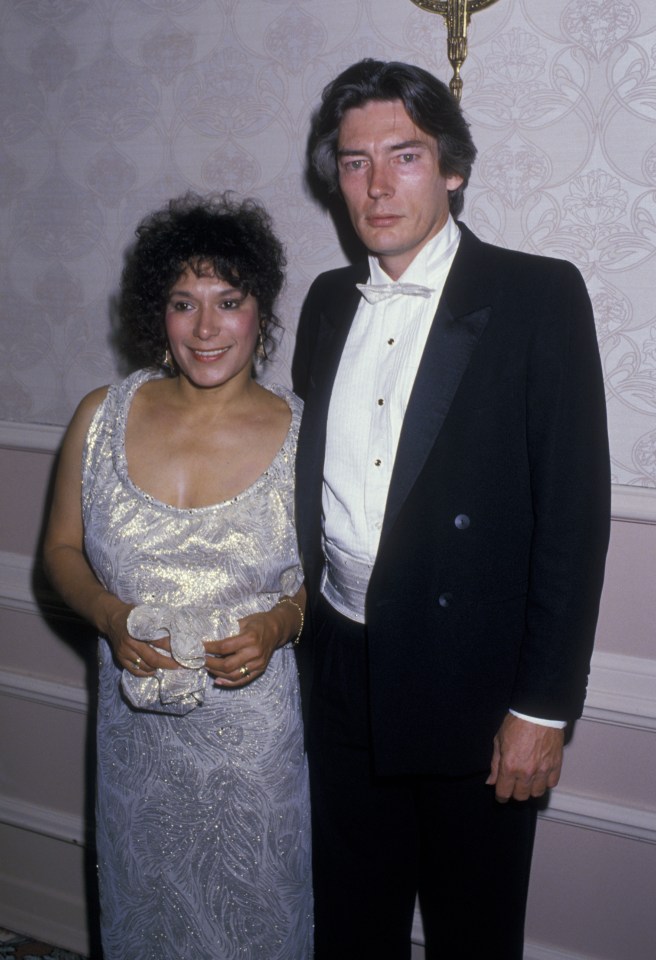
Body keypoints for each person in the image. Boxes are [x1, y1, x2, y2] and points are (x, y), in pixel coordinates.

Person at [292, 59, 610, 960]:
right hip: (343, 672)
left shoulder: (537, 295)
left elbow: (574, 519)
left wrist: (543, 709)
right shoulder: (325, 303)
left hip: (474, 691)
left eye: (406, 156)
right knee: (351, 928)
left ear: (453, 169)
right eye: (356, 163)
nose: (379, 185)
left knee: (475, 936)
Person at [43, 193, 312, 960]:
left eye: (228, 302)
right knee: (143, 920)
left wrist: (277, 625)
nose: (205, 329)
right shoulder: (101, 415)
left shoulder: (306, 433)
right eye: (182, 303)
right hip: (138, 750)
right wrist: (107, 614)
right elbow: (61, 552)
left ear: (261, 309)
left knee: (256, 927)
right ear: (155, 313)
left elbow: (332, 584)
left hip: (252, 752)